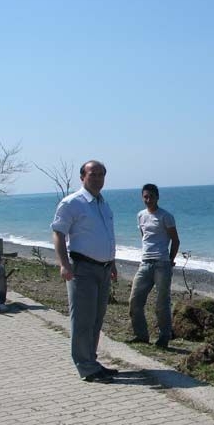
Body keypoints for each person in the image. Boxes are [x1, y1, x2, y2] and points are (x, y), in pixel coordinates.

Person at [51, 160, 118, 383]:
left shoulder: (103, 204)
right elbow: (58, 233)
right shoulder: (71, 203)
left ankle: (91, 360)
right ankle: (85, 367)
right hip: (82, 268)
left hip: (103, 268)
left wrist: (113, 262)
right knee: (82, 319)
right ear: (82, 177)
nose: (97, 178)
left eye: (101, 174)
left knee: (97, 319)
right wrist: (63, 264)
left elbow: (107, 235)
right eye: (93, 174)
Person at [129, 184, 180, 348]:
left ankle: (164, 337)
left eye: (151, 196)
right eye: (145, 197)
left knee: (162, 303)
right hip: (145, 263)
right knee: (135, 301)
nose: (148, 200)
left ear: (157, 197)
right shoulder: (140, 216)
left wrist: (170, 260)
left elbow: (175, 240)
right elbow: (144, 237)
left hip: (162, 264)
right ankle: (141, 335)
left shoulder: (166, 216)